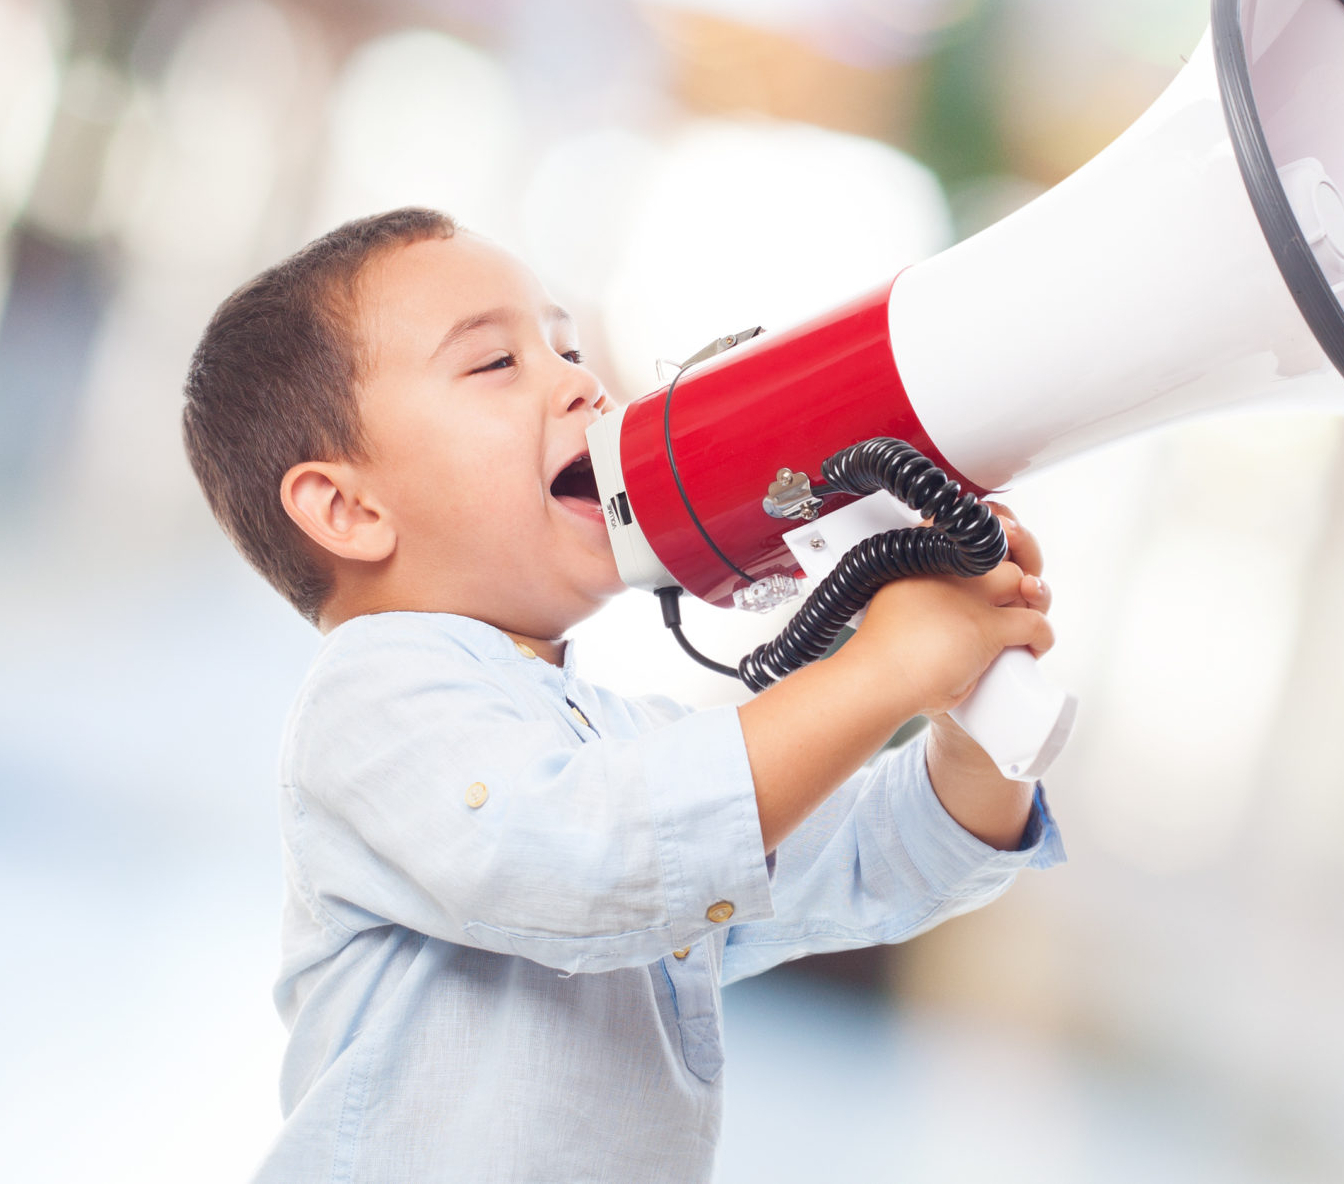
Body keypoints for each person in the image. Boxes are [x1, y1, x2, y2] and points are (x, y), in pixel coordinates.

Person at [180, 207, 1063, 1182]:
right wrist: (877, 670)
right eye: (494, 364)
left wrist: (969, 713)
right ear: (347, 509)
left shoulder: (616, 744)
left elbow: (876, 862)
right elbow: (589, 852)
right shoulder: (372, 701)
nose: (580, 381)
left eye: (564, 345)